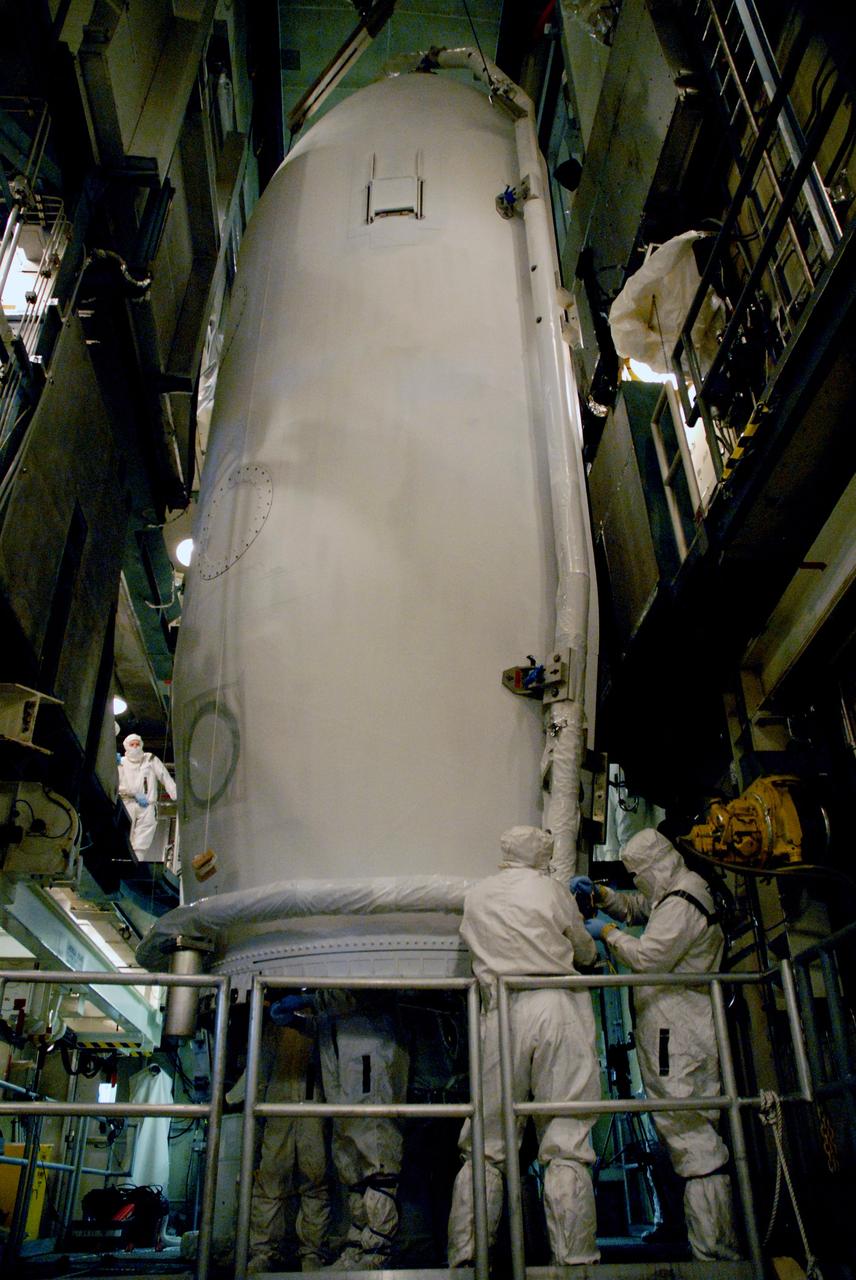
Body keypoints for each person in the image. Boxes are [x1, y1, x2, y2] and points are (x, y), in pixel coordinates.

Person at [577, 826, 740, 1261]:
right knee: (686, 1139)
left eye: (638, 874)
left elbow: (650, 956)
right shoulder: (679, 892)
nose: (639, 882)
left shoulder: (683, 901)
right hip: (676, 1029)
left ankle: (715, 1255)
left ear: (653, 867)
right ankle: (707, 1245)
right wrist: (605, 896)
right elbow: (643, 906)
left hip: (678, 1035)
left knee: (693, 1142)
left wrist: (607, 933)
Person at [447, 825, 601, 1269]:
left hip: (499, 1013)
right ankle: (575, 1266)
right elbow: (584, 951)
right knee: (566, 1140)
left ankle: (467, 1262)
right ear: (541, 854)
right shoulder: (551, 890)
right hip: (554, 1006)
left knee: (487, 1146)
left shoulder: (476, 895)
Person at [315, 990, 410, 1270]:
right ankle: (358, 1245)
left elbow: (368, 990)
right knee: (351, 1157)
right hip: (340, 1045)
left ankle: (377, 1249)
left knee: (376, 1153)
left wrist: (312, 1002)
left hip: (369, 1047)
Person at [245, 1006, 331, 1274]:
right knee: (272, 1178)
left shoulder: (322, 1018)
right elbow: (261, 1066)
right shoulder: (275, 1023)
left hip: (313, 1105)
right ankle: (263, 1252)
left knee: (314, 1179)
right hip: (280, 1104)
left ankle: (311, 1252)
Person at [117, 733, 177, 855]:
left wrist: (175, 794)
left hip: (147, 805)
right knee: (124, 835)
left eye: (137, 744)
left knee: (142, 841)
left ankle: (137, 864)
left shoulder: (150, 759)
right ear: (126, 746)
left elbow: (164, 776)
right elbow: (115, 785)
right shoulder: (121, 762)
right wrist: (132, 793)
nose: (135, 747)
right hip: (127, 802)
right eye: (132, 744)